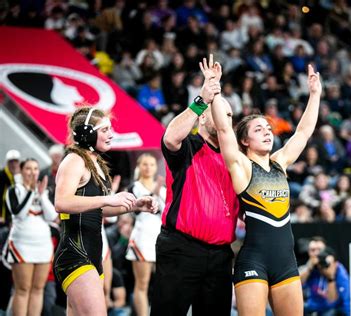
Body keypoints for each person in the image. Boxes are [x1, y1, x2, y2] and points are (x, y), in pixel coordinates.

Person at [210, 60, 322, 315]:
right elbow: (223, 129)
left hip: (286, 262)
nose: (267, 132)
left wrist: (314, 94)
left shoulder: (280, 163)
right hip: (253, 261)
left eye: (269, 128)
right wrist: (215, 91)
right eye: (258, 129)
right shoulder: (242, 166)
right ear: (245, 141)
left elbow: (303, 133)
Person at [150, 55, 240, 316]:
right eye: (220, 110)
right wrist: (203, 99)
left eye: (230, 114)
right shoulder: (189, 146)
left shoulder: (234, 157)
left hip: (221, 256)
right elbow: (170, 137)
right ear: (203, 118)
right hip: (181, 249)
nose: (226, 117)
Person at [53, 106, 157, 315]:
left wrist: (134, 205)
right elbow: (62, 202)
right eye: (105, 130)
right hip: (75, 254)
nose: (111, 135)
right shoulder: (74, 160)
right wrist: (108, 198)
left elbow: (98, 209)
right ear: (87, 134)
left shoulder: (96, 163)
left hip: (92, 253)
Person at [3, 158, 58, 316]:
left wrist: (41, 195)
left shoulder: (43, 191)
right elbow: (18, 214)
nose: (32, 172)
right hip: (22, 245)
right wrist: (31, 192)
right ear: (21, 171)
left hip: (43, 245)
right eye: (28, 168)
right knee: (22, 289)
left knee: (38, 289)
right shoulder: (15, 190)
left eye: (35, 168)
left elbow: (53, 216)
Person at [125, 154, 165, 316]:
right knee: (142, 283)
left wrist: (159, 192)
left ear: (156, 168)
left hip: (160, 237)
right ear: (139, 166)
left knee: (163, 284)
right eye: (145, 164)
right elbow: (133, 213)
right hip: (142, 237)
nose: (148, 168)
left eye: (152, 165)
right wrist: (153, 193)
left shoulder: (163, 189)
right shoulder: (134, 188)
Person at [299, 237, 350, 315]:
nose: (316, 253)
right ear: (308, 252)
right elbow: (297, 285)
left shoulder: (337, 267)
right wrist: (309, 268)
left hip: (331, 308)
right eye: (312, 250)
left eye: (319, 250)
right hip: (311, 306)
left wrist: (330, 277)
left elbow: (332, 300)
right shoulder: (308, 267)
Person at [0, 149, 21, 225]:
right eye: (11, 162)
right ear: (7, 163)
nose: (14, 165)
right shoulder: (2, 175)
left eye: (16, 162)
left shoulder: (22, 176)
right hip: (4, 216)